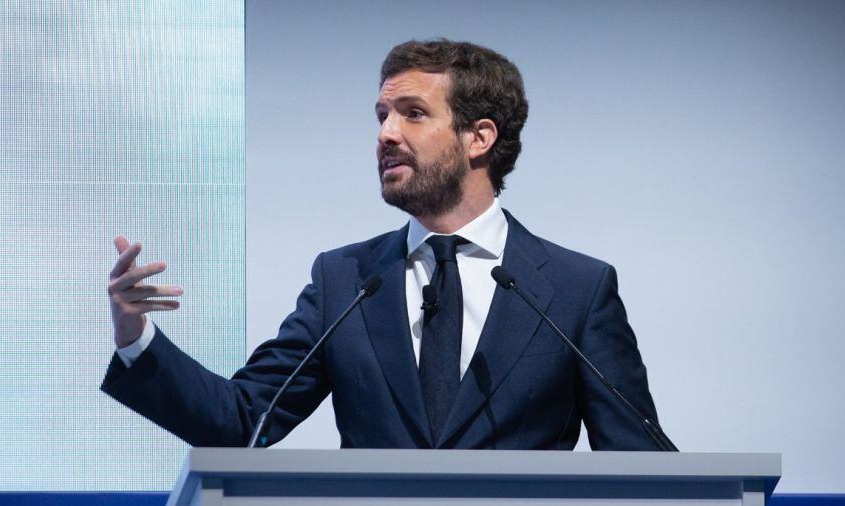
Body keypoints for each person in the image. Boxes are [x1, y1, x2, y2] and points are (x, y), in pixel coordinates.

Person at [103, 39, 665, 450]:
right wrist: (135, 337)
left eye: (413, 114)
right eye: (382, 116)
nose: (385, 134)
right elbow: (240, 420)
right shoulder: (345, 279)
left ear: (479, 137)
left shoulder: (575, 290)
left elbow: (639, 461)